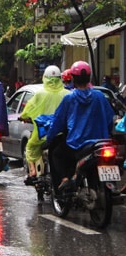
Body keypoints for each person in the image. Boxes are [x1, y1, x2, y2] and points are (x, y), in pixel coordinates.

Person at [46, 61, 115, 191]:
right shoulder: (99, 96)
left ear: (72, 78)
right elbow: (109, 118)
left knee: (56, 153)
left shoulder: (69, 98)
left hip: (77, 144)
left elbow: (58, 122)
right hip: (101, 142)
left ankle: (65, 180)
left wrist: (50, 138)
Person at [19, 65, 69, 189]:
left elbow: (27, 111)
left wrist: (23, 116)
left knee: (30, 147)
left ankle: (32, 172)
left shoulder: (39, 94)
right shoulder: (67, 94)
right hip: (64, 134)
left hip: (42, 134)